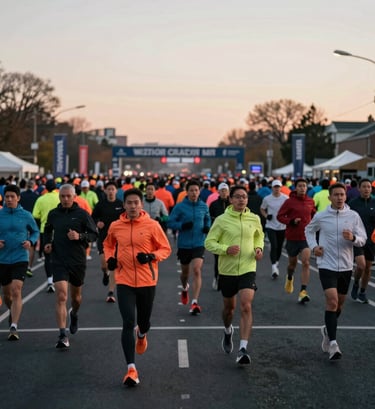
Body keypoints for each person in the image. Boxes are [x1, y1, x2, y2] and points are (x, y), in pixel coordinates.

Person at [103, 188, 171, 386]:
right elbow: (108, 245)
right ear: (124, 205)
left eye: (136, 203)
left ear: (141, 205)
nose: (132, 206)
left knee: (144, 322)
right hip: (124, 280)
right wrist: (110, 259)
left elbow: (165, 248)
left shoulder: (152, 225)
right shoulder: (116, 226)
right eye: (129, 203)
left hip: (147, 280)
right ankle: (131, 369)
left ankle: (142, 334)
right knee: (127, 321)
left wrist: (151, 256)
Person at [305, 182, 366, 360]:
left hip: (346, 266)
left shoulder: (353, 216)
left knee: (339, 305)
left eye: (342, 194)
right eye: (336, 195)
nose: (339, 197)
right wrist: (314, 246)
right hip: (326, 264)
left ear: (345, 197)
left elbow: (362, 239)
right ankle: (333, 343)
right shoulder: (322, 216)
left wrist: (353, 238)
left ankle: (327, 329)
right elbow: (308, 230)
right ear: (329, 197)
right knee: (331, 302)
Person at [205, 185, 264, 365]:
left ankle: (243, 348)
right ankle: (228, 330)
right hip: (227, 270)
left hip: (248, 267)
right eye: (237, 197)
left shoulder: (254, 218)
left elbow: (258, 236)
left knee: (246, 305)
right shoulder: (222, 220)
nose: (241, 200)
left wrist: (258, 248)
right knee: (229, 309)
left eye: (244, 197)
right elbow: (209, 242)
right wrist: (225, 249)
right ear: (230, 199)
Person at [44, 184, 98, 349]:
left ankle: (74, 314)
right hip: (59, 260)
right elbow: (47, 230)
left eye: (68, 196)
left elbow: (94, 235)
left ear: (74, 197)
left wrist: (79, 236)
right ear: (59, 197)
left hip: (77, 261)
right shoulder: (53, 214)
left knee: (76, 298)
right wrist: (47, 243)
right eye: (62, 196)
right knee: (61, 296)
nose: (65, 199)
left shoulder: (82, 214)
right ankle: (62, 335)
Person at [0, 184, 39, 340]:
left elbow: (35, 231)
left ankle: (14, 326)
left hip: (20, 258)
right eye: (7, 197)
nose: (9, 199)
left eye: (12, 197)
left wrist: (30, 241)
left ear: (18, 198)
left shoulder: (26, 215)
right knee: (7, 294)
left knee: (17, 290)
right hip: (2, 259)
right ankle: (12, 311)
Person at [167, 179, 211, 315]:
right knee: (185, 273)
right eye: (191, 190)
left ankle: (194, 302)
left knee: (197, 270)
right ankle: (185, 288)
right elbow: (170, 222)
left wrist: (207, 227)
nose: (194, 193)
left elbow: (207, 219)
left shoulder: (203, 206)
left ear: (199, 192)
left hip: (199, 243)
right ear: (187, 192)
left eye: (196, 190)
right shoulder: (180, 207)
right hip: (184, 244)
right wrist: (182, 226)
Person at [277, 178, 316, 303]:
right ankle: (289, 277)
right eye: (300, 186)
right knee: (292, 264)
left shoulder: (311, 201)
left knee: (306, 262)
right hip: (292, 237)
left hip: (305, 237)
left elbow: (314, 214)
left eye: (304, 186)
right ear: (295, 188)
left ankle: (303, 291)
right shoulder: (289, 202)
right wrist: (291, 221)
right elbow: (280, 216)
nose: (302, 188)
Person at [91, 181, 125, 303]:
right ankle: (105, 274)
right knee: (104, 265)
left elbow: (126, 218)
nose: (111, 191)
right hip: (104, 238)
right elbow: (93, 217)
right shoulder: (101, 204)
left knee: (113, 265)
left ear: (116, 191)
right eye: (108, 189)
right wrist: (97, 223)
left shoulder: (121, 205)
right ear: (105, 191)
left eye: (113, 189)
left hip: (117, 239)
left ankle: (111, 292)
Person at [348, 178, 375, 303]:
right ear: (359, 189)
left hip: (371, 241)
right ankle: (356, 283)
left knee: (368, 268)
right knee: (361, 265)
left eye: (369, 187)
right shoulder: (352, 204)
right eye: (364, 186)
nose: (367, 189)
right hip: (358, 240)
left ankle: (363, 292)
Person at [32, 179, 60, 292]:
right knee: (59, 255)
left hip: (45, 230)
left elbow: (35, 215)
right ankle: (60, 280)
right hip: (59, 230)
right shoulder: (60, 197)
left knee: (48, 256)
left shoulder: (41, 199)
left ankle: (49, 281)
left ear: (45, 188)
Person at [260, 179, 289, 279]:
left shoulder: (285, 198)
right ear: (272, 188)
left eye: (278, 187)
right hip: (270, 225)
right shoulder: (267, 199)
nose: (277, 189)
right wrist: (266, 216)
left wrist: (287, 218)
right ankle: (273, 267)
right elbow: (262, 208)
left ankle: (276, 263)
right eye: (275, 187)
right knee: (274, 245)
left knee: (280, 246)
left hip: (282, 226)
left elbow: (289, 209)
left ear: (281, 188)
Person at [209, 182, 230, 290]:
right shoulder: (213, 205)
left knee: (229, 258)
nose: (224, 193)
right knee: (218, 259)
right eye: (222, 190)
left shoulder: (232, 204)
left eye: (225, 190)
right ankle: (216, 277)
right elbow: (210, 218)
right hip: (217, 236)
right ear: (218, 192)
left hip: (230, 236)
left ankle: (226, 279)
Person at [20, 179, 39, 277]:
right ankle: (29, 267)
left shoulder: (21, 196)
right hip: (32, 222)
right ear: (34, 186)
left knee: (22, 243)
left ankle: (22, 264)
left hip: (21, 222)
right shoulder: (36, 196)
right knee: (31, 245)